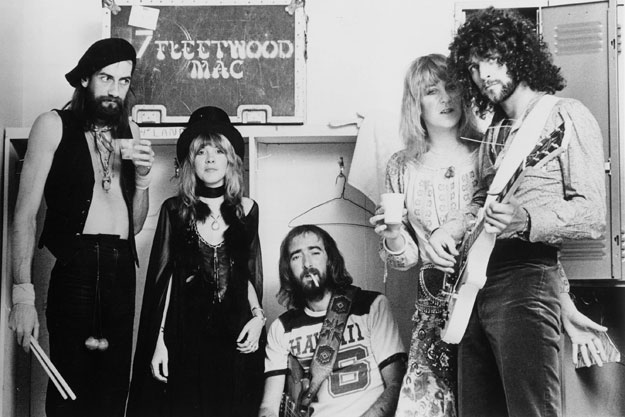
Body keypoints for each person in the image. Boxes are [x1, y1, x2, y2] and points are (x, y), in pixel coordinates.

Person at [443, 7, 608, 416]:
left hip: (526, 278)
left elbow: (593, 215)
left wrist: (528, 219)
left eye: (492, 58)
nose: (484, 74)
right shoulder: (495, 131)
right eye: (474, 66)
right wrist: (449, 228)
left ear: (519, 55)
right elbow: (482, 202)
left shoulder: (566, 115)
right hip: (474, 283)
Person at [8, 38, 154, 417]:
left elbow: (136, 226)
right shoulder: (53, 125)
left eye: (124, 81)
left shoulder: (131, 132)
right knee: (69, 392)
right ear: (86, 78)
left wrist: (142, 180)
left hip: (121, 270)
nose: (115, 90)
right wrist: (22, 297)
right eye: (106, 78)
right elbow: (24, 215)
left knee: (113, 394)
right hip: (76, 268)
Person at [127, 106, 266, 417]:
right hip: (186, 337)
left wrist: (259, 318)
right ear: (190, 162)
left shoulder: (247, 209)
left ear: (231, 160)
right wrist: (159, 343)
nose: (210, 158)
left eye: (219, 151)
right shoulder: (175, 210)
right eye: (201, 151)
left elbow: (245, 273)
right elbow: (165, 281)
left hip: (236, 335)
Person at [371, 53, 481, 417]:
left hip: (489, 293)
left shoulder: (486, 152)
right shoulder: (401, 165)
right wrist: (392, 232)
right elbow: (406, 258)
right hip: (433, 304)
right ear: (415, 103)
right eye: (432, 91)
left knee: (486, 401)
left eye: (452, 87)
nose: (446, 98)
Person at [259, 225, 407, 417]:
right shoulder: (281, 328)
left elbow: (397, 384)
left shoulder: (372, 306)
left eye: (315, 252)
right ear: (288, 270)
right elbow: (269, 407)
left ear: (330, 259)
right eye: (296, 257)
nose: (307, 263)